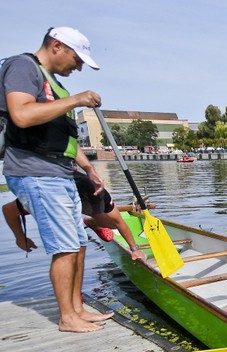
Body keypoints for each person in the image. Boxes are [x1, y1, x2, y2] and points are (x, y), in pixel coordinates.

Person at [1, 27, 110, 333]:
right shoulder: (23, 67)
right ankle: (67, 317)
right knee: (65, 246)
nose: (78, 67)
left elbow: (63, 138)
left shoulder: (54, 83)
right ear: (57, 46)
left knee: (78, 243)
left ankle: (77, 308)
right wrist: (76, 100)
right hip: (36, 171)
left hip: (60, 172)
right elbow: (22, 115)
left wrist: (88, 168)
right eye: (77, 60)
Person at [3, 169, 146, 262]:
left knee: (112, 223)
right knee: (67, 249)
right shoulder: (44, 195)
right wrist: (20, 238)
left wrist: (134, 249)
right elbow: (8, 211)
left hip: (79, 195)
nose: (98, 209)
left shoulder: (103, 196)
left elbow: (120, 223)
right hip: (58, 200)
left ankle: (92, 222)